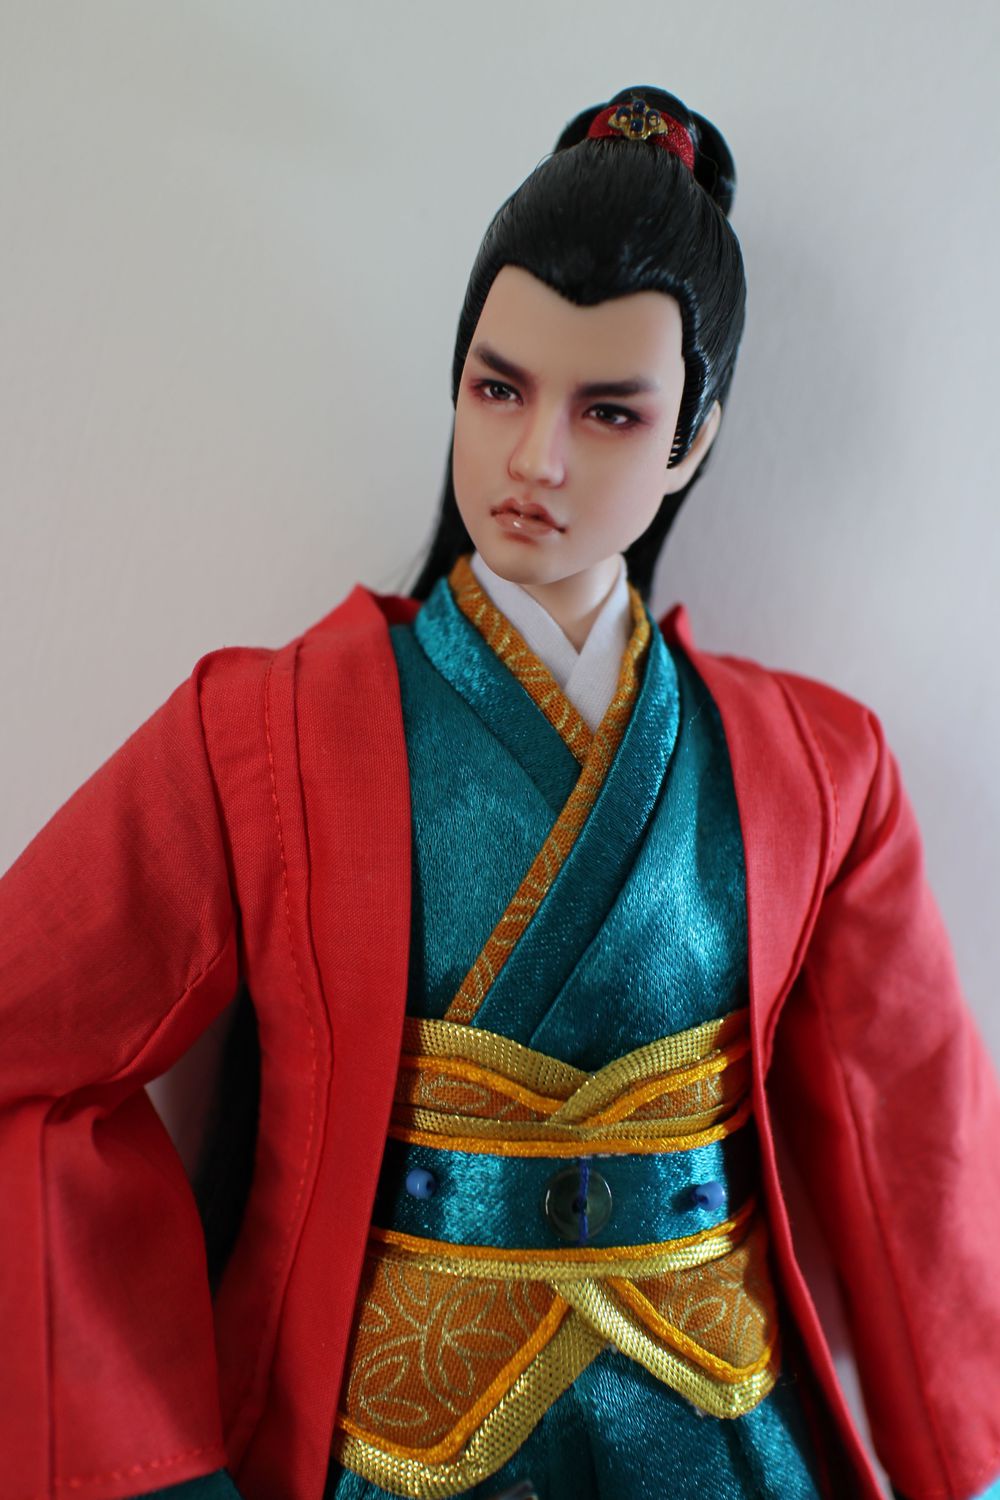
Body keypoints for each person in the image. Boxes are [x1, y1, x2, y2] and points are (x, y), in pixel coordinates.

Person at [2, 85, 998, 1500]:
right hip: (387, 1434)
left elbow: (921, 1152)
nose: (537, 460)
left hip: (716, 1427)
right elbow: (25, 1046)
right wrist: (148, 1459)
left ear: (693, 436)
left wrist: (972, 1460)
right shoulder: (270, 734)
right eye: (498, 388)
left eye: (611, 411)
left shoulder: (817, 769)